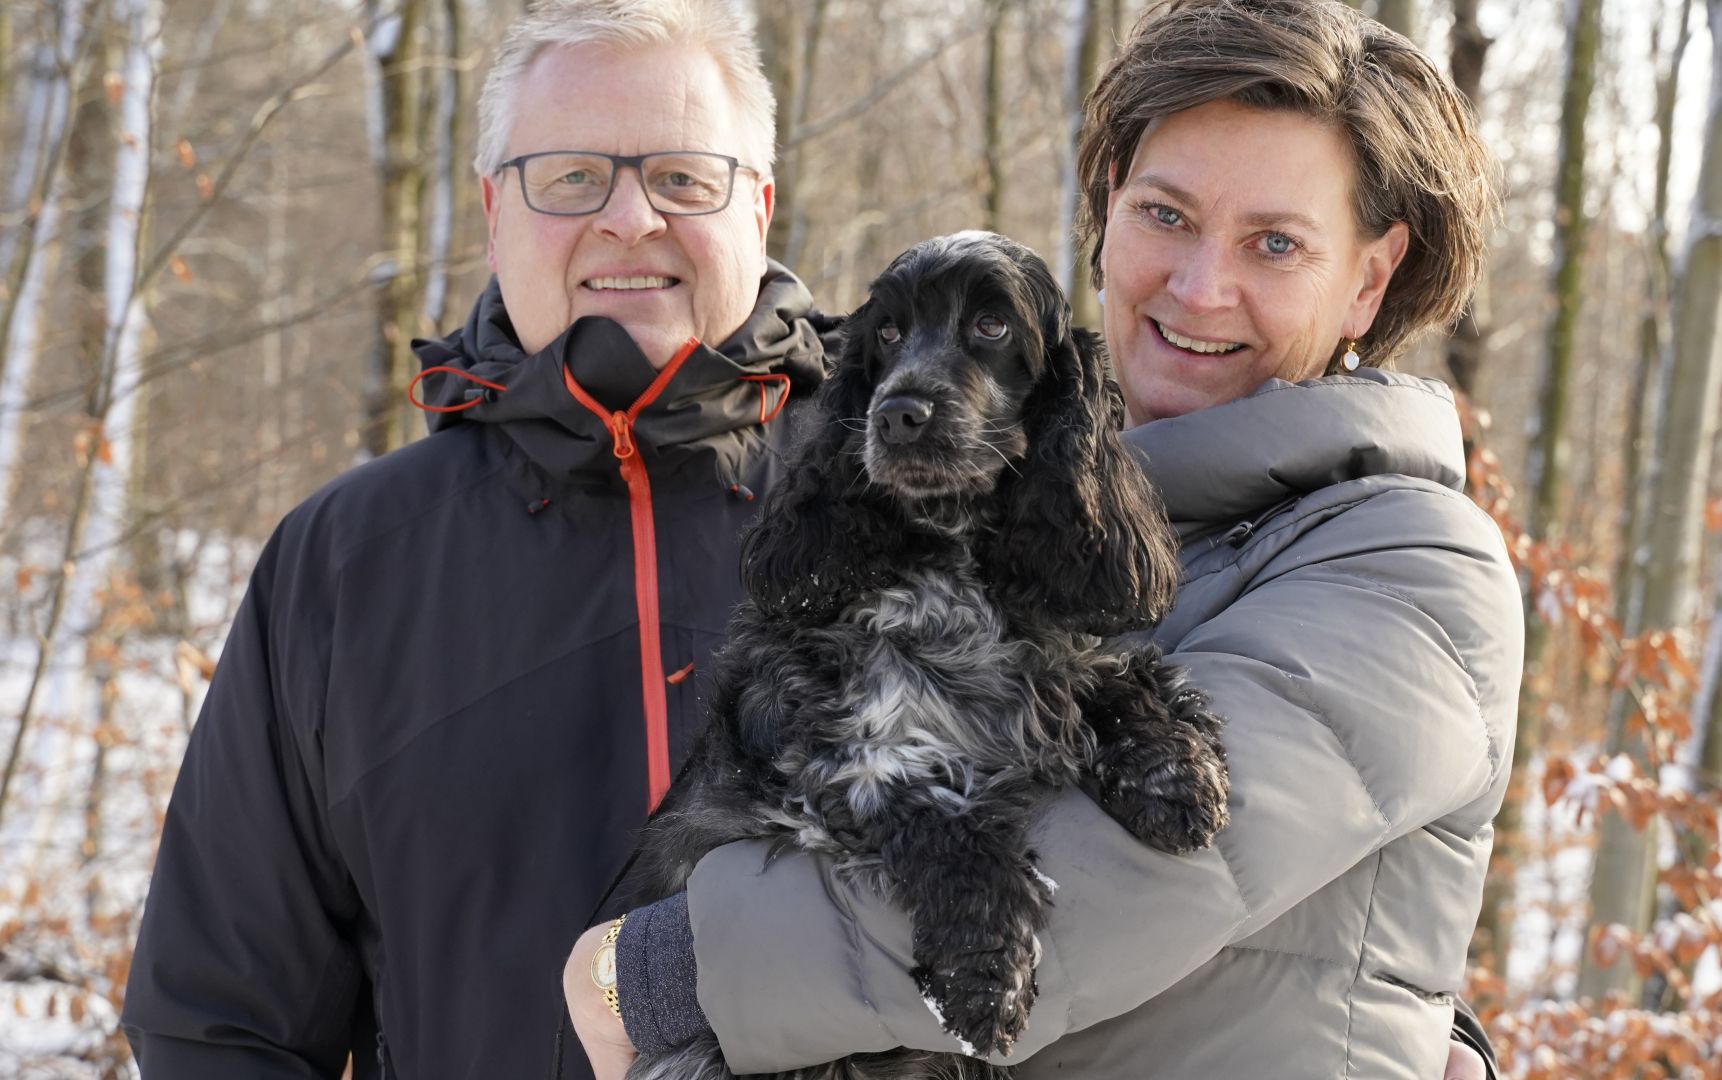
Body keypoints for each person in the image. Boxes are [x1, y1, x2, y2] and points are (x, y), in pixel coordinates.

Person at [562, 2, 1518, 1079]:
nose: (1200, 286)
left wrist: (634, 973)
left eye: (1276, 242)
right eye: (1165, 214)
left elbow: (1119, 887)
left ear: (1370, 277)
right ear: (1107, 215)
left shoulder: (1409, 561)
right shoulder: (997, 519)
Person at [119, 1, 830, 1075]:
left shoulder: (914, 505)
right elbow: (221, 1021)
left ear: (759, 207)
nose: (630, 217)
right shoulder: (344, 566)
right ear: (495, 212)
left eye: (684, 176)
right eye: (571, 177)